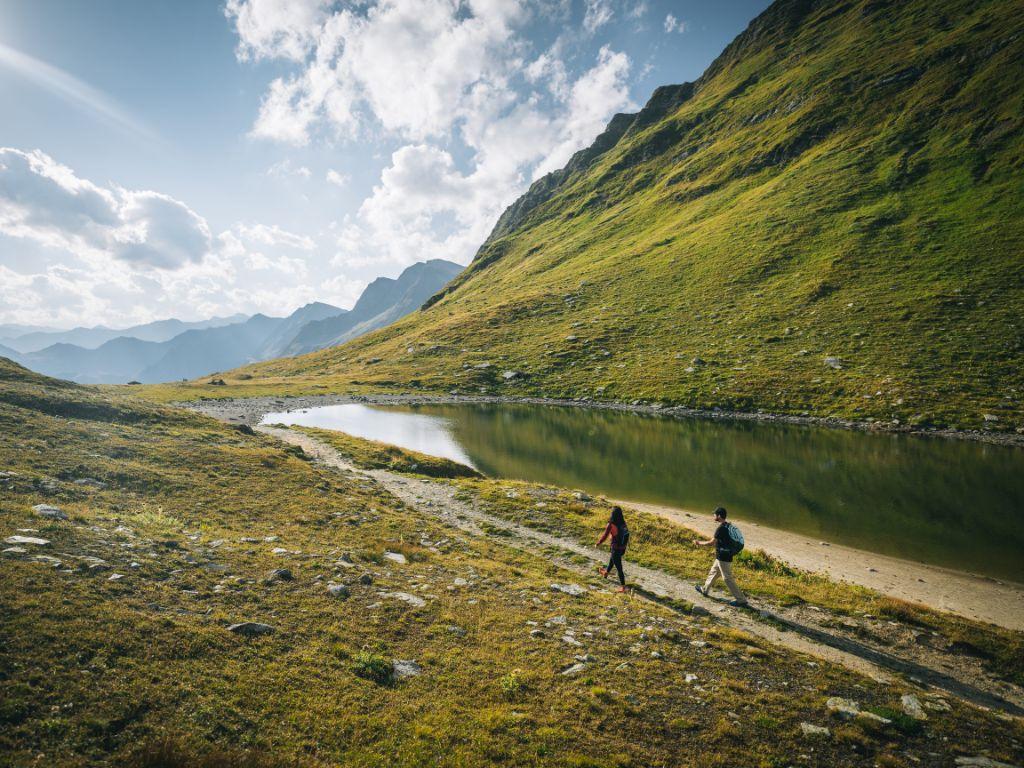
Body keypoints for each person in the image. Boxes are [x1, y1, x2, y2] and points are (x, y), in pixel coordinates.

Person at [694, 506, 748, 607]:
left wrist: (699, 543)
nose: (713, 515)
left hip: (724, 557)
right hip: (722, 556)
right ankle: (705, 590)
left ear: (719, 516)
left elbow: (711, 542)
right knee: (713, 572)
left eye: (714, 514)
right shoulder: (727, 526)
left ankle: (741, 600)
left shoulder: (720, 529)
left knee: (727, 578)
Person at [596, 505, 629, 593]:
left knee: (619, 568)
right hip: (622, 548)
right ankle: (606, 573)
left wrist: (598, 543)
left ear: (612, 514)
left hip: (616, 548)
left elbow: (605, 536)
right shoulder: (623, 523)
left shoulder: (610, 525)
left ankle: (623, 587)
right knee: (612, 560)